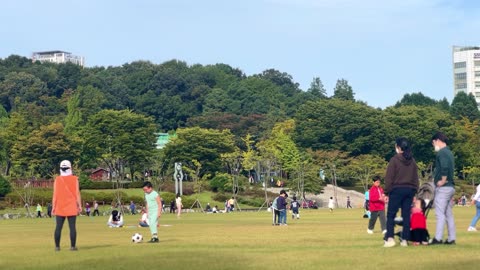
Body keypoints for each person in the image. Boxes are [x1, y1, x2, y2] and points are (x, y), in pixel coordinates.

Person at [383, 137, 419, 248]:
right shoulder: (412, 161)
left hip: (396, 189)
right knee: (406, 216)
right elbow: (415, 178)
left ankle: (390, 238)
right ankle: (404, 240)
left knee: (391, 215)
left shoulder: (394, 160)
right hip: (409, 190)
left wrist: (386, 192)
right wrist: (414, 192)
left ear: (398, 147)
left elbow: (389, 177)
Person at [430, 132, 456, 245]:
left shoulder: (442, 153)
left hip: (444, 187)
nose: (433, 145)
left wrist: (442, 180)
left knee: (439, 213)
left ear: (437, 140)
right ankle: (451, 238)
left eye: (433, 143)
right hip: (450, 187)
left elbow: (444, 167)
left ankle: (438, 238)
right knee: (448, 213)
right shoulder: (449, 152)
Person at [52, 160, 82, 251]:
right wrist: (79, 205)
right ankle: (73, 246)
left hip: (60, 205)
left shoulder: (57, 179)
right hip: (71, 205)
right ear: (70, 168)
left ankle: (57, 247)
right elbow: (77, 193)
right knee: (72, 227)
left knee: (58, 227)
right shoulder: (74, 179)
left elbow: (55, 194)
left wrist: (53, 206)